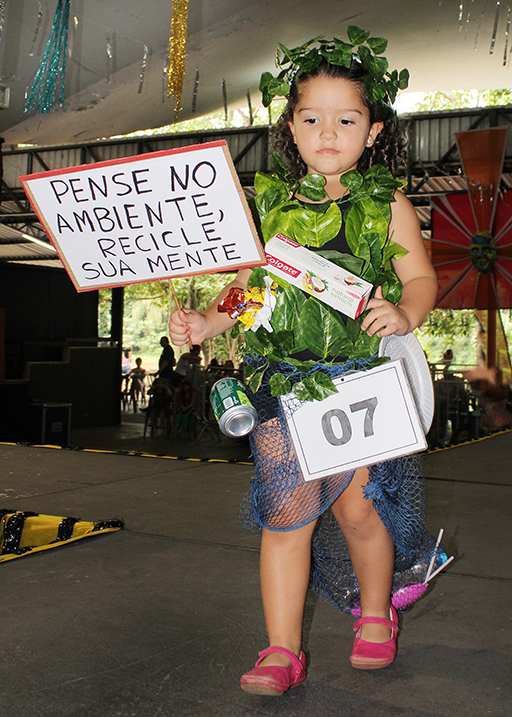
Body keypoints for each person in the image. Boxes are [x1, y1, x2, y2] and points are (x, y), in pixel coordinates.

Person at [169, 29, 443, 696]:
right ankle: (280, 649)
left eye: (345, 119)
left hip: (356, 386)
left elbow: (422, 281)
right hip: (276, 386)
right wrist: (208, 318)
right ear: (291, 125)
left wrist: (406, 312)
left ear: (373, 130)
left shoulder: (387, 207)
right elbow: (247, 285)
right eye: (311, 118)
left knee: (357, 512)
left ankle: (374, 615)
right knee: (285, 514)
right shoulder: (273, 206)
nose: (327, 132)